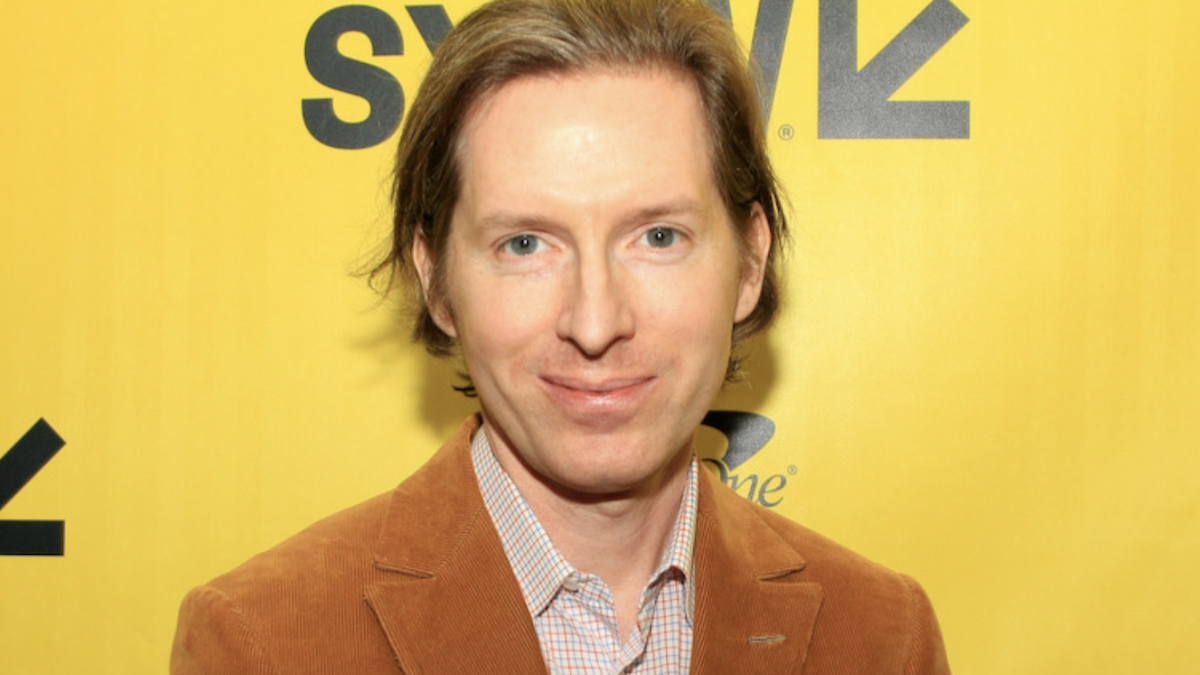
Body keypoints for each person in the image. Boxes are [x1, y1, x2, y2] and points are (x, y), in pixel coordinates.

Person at [171, 0, 951, 672]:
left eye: (658, 236)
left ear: (750, 262)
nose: (595, 322)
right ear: (437, 281)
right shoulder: (264, 642)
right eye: (525, 244)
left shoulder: (881, 635)